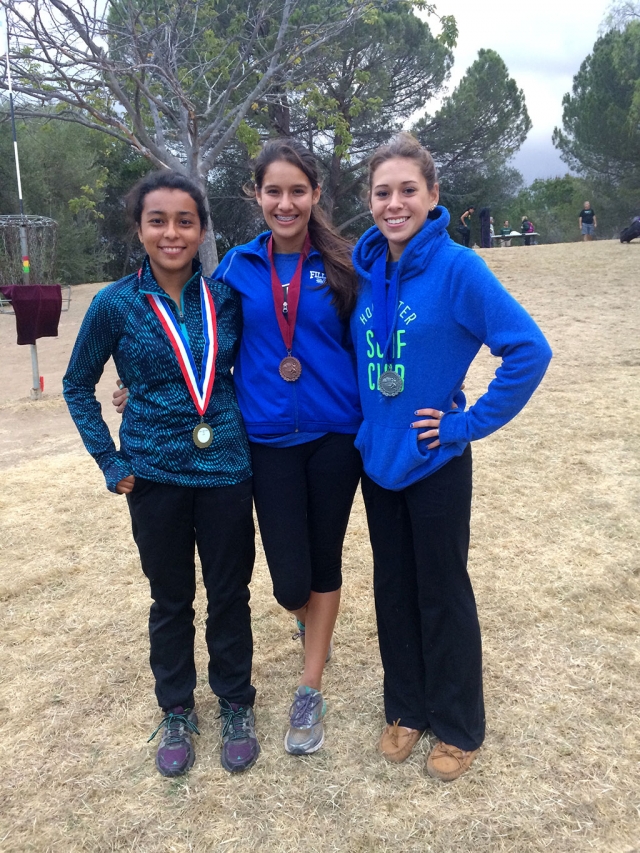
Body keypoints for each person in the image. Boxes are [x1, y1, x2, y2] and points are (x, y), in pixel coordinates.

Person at [114, 140, 362, 757]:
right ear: (256, 195)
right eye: (273, 191)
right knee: (286, 583)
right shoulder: (234, 272)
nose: (285, 203)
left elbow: (379, 338)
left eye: (297, 191)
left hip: (335, 438)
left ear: (315, 195)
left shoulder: (345, 264)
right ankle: (309, 621)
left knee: (324, 560)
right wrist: (141, 384)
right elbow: (201, 346)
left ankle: (309, 686)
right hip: (267, 442)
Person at [350, 132, 552, 782]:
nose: (394, 202)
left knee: (442, 592)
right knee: (393, 589)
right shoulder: (363, 267)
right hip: (377, 462)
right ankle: (407, 709)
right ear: (370, 200)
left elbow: (528, 349)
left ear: (433, 195)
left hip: (436, 459)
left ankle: (459, 722)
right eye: (383, 192)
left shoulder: (460, 267)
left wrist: (467, 423)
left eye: (408, 189)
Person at [64, 171, 259, 778]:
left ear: (202, 229)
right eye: (158, 221)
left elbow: (251, 367)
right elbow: (76, 385)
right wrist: (109, 460)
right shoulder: (113, 303)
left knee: (230, 595)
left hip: (226, 466)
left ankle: (235, 703)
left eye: (185, 221)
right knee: (170, 600)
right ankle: (176, 709)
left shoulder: (227, 297)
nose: (172, 233)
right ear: (139, 228)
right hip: (152, 474)